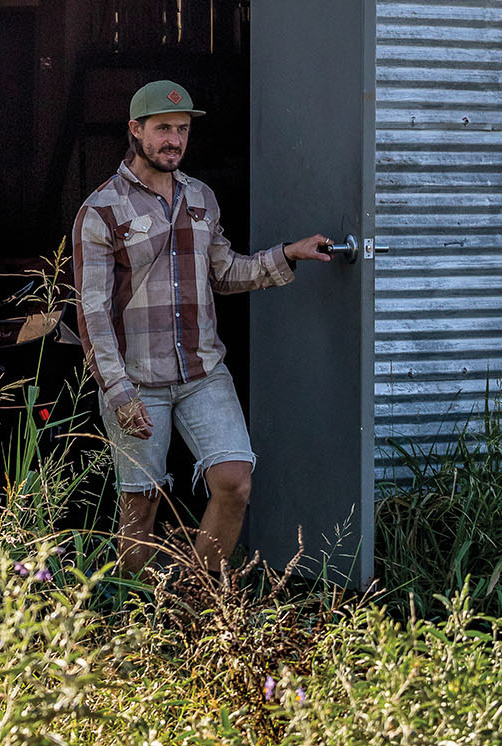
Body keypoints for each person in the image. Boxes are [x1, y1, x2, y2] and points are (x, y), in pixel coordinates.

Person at [72, 79, 330, 576]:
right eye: (163, 128)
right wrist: (120, 393)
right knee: (141, 505)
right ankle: (137, 617)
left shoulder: (202, 198)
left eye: (182, 129)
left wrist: (288, 255)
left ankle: (195, 602)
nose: (174, 140)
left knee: (235, 481)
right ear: (136, 130)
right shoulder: (101, 210)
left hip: (202, 372)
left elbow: (225, 273)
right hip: (137, 379)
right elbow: (93, 314)